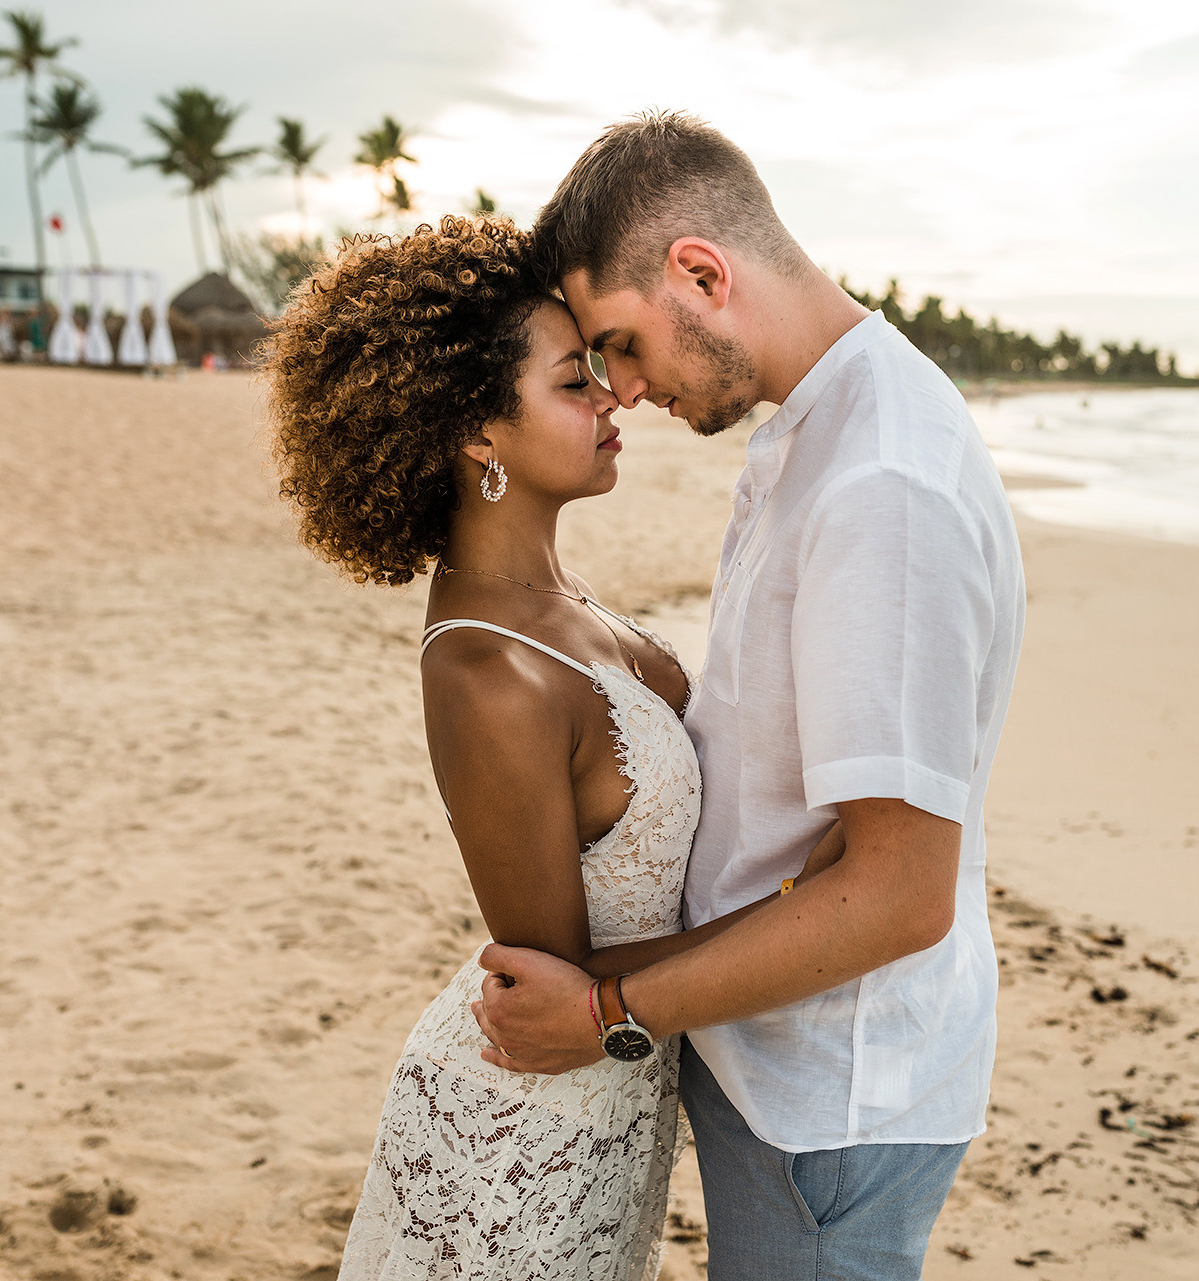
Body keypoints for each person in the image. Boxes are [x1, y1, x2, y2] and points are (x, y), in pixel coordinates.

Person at [472, 111, 1027, 1279]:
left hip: (830, 1096)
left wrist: (603, 1015)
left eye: (622, 344)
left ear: (702, 274)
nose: (623, 387)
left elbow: (897, 896)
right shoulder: (821, 429)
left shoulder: (881, 482)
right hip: (773, 1057)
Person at [263, 215, 845, 1279]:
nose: (614, 399)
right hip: (525, 1128)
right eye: (575, 385)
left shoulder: (556, 600)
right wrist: (799, 922)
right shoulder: (484, 670)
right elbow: (551, 972)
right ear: (477, 433)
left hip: (615, 1097)